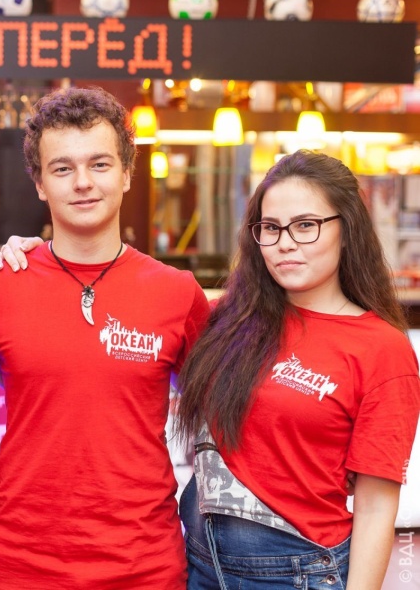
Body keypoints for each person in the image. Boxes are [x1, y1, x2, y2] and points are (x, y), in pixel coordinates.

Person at [0, 86, 210, 588]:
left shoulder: (177, 293)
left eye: (99, 164)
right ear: (39, 184)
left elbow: (227, 411)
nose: (82, 183)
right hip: (18, 562)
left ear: (127, 173)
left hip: (142, 565)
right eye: (62, 168)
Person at [176, 150, 420, 589]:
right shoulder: (226, 320)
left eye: (305, 225)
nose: (285, 242)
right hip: (198, 561)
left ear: (348, 230)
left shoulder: (382, 349)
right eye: (270, 227)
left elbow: (376, 507)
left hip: (297, 573)